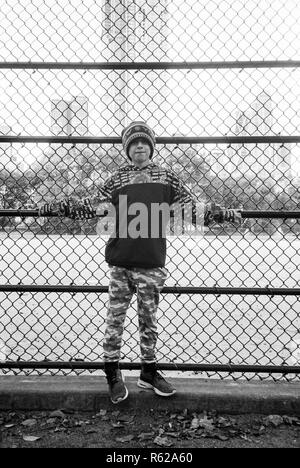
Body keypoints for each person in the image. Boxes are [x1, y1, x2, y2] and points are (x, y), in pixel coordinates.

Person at [39, 121, 242, 404]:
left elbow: (191, 209)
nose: (139, 147)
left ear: (151, 147)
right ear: (127, 149)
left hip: (151, 262)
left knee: (149, 321)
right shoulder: (117, 179)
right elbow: (91, 205)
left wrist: (222, 213)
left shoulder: (166, 178)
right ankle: (112, 373)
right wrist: (59, 206)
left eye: (144, 143)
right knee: (115, 320)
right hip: (120, 261)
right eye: (134, 144)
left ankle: (148, 372)